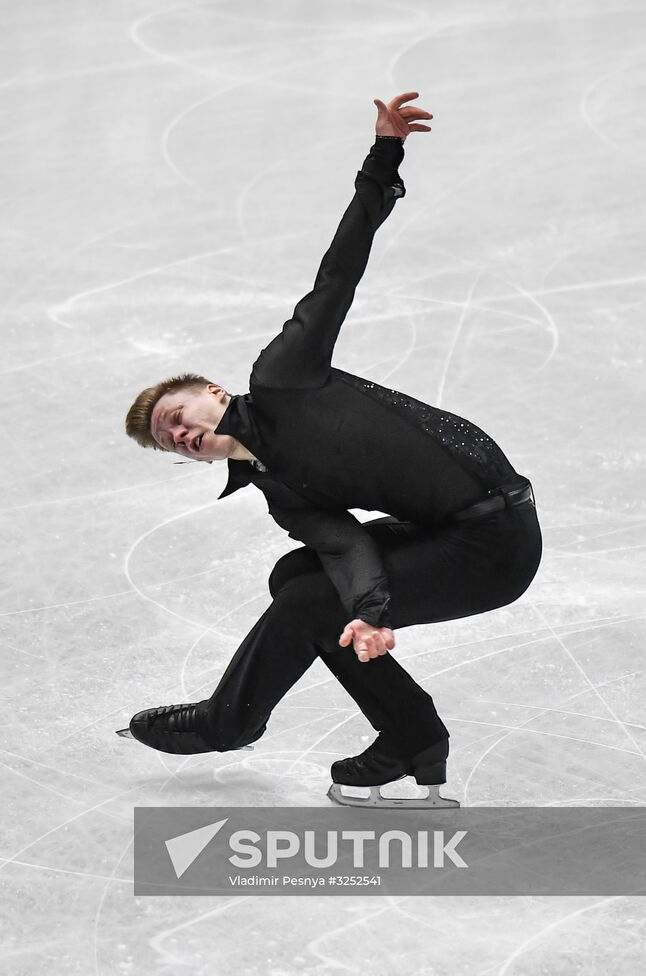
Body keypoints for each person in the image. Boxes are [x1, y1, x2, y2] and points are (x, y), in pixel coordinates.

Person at [121, 92, 542, 808]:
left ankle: (230, 719)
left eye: (175, 415)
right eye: (170, 442)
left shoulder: (283, 378)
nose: (179, 433)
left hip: (493, 539)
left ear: (212, 393)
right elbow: (345, 546)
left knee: (310, 599)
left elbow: (337, 273)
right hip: (444, 532)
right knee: (299, 577)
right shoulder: (278, 490)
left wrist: (383, 156)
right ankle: (410, 734)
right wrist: (369, 614)